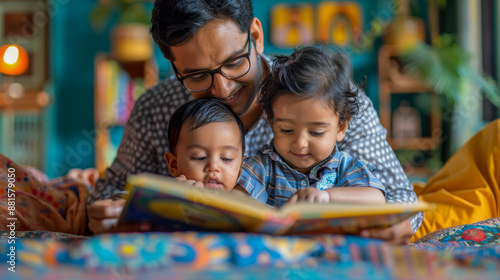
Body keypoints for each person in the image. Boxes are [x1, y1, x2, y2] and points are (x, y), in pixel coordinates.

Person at [86, 0, 422, 243]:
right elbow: (107, 193)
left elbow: (404, 204)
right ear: (173, 66)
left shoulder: (327, 101)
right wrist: (109, 211)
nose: (222, 88)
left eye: (234, 62)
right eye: (198, 75)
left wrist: (391, 223)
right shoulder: (154, 109)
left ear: (256, 36)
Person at [237, 47, 386, 206]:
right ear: (272, 124)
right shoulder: (262, 168)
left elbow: (377, 199)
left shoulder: (345, 167)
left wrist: (327, 197)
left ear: (341, 128)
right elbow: (234, 199)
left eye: (316, 132)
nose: (300, 143)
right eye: (287, 130)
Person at [165, 97, 245, 192]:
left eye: (226, 158)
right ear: (174, 165)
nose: (213, 166)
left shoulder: (251, 203)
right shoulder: (167, 200)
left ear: (242, 167)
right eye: (199, 157)